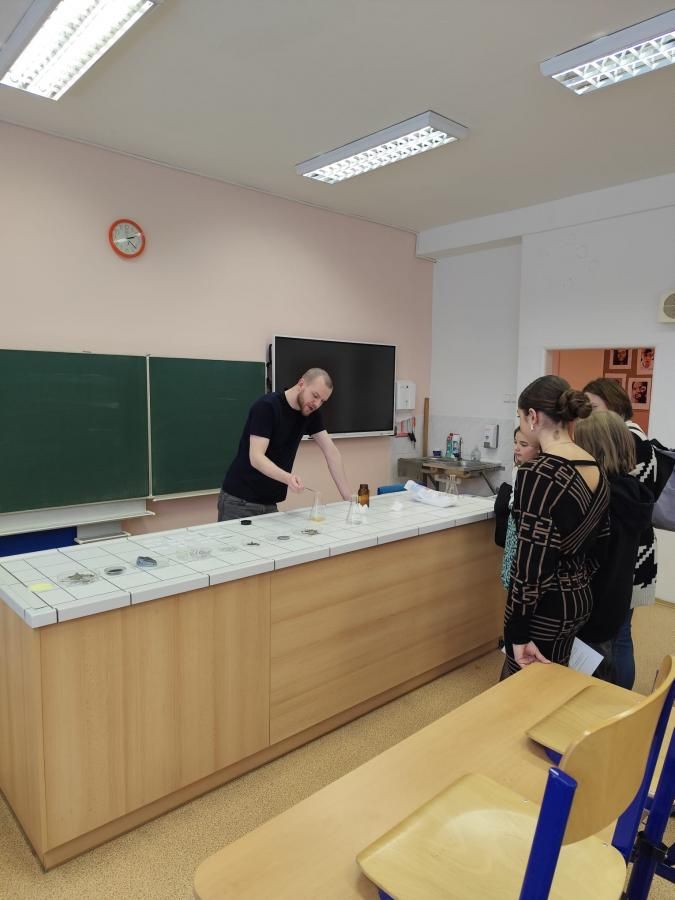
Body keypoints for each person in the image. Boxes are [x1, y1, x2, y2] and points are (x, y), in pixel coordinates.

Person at [502, 376, 609, 679]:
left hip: (543, 607)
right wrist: (574, 579)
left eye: (520, 417)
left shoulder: (538, 472)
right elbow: (602, 542)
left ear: (532, 417)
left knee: (524, 686)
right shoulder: (594, 466)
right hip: (578, 597)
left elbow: (530, 565)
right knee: (552, 681)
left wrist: (517, 630)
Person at [583, 378, 658, 689]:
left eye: (593, 407)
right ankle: (620, 694)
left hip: (627, 555)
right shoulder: (639, 440)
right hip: (633, 548)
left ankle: (619, 695)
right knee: (621, 632)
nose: (586, 414)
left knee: (616, 635)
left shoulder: (629, 441)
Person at [217, 368, 351, 521]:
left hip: (269, 503)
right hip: (239, 502)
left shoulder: (310, 413)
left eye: (322, 401)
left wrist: (348, 499)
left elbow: (331, 452)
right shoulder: (267, 406)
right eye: (315, 396)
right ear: (301, 384)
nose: (317, 404)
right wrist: (288, 478)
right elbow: (256, 457)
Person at [494, 428, 540, 589]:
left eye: (524, 444)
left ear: (539, 448)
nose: (517, 448)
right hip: (513, 529)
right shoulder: (518, 470)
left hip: (524, 533)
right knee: (510, 577)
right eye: (515, 443)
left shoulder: (536, 475)